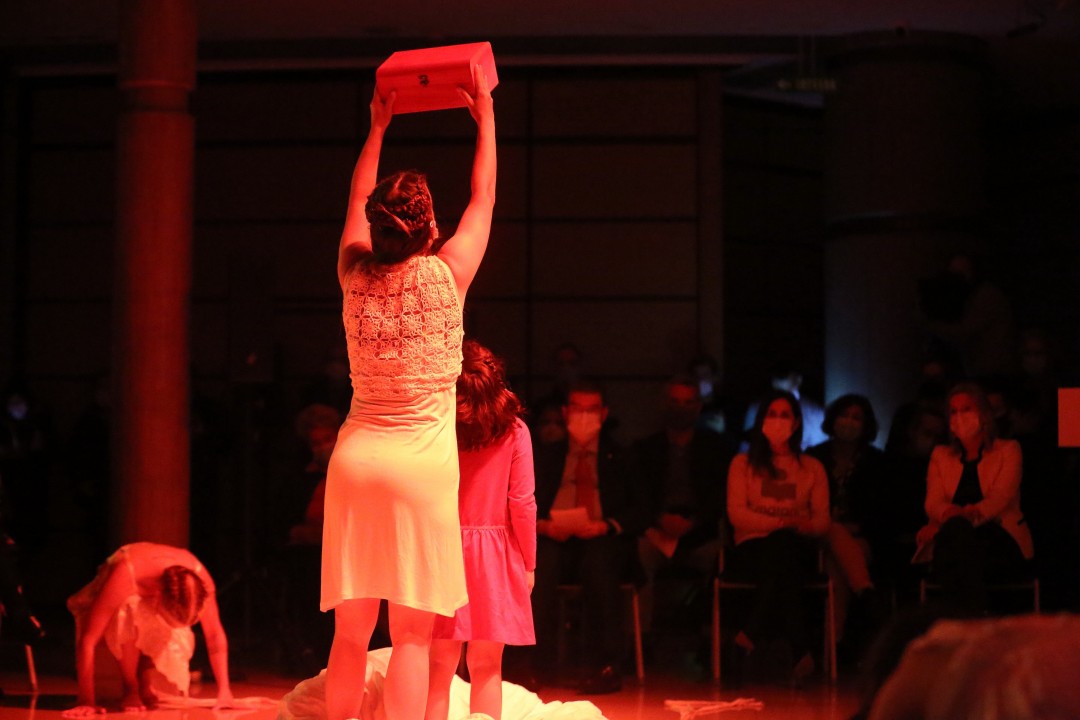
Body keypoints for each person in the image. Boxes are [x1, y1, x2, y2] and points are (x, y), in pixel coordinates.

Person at [320, 63, 496, 720]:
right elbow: (484, 198)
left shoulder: (353, 272)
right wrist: (486, 119)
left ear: (377, 227)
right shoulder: (449, 275)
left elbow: (354, 198)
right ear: (429, 227)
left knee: (349, 633)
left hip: (356, 462)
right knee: (412, 636)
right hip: (419, 470)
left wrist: (376, 128)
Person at [425, 340, 537, 720]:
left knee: (438, 665)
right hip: (495, 555)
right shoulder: (514, 429)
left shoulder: (440, 426)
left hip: (443, 548)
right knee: (487, 665)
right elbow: (522, 502)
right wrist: (528, 562)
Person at [531, 380, 645, 694]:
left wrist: (606, 525)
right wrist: (542, 525)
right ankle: (535, 665)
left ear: (603, 414)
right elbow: (521, 500)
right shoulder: (545, 456)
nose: (584, 417)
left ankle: (604, 667)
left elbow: (641, 508)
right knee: (539, 564)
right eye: (577, 409)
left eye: (591, 410)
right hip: (553, 535)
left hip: (600, 537)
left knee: (600, 562)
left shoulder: (621, 456)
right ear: (565, 412)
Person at [725, 390, 830, 683]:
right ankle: (799, 650)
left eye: (785, 415)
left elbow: (822, 521)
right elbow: (737, 514)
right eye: (772, 414)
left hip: (797, 547)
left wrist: (797, 527)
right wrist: (784, 522)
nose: (778, 420)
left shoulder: (811, 468)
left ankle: (749, 635)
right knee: (782, 556)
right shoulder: (742, 464)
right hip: (752, 548)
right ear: (761, 420)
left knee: (784, 550)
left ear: (796, 423)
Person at [63, 542, 233, 716]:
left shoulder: (199, 581)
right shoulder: (126, 574)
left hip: (159, 595)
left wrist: (225, 691)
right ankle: (131, 686)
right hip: (123, 591)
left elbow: (214, 635)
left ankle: (144, 679)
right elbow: (89, 639)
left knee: (173, 639)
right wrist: (87, 701)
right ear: (157, 597)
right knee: (128, 611)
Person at [916, 383, 1034, 616]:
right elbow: (933, 502)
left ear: (984, 414)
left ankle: (962, 618)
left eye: (966, 409)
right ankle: (975, 614)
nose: (959, 416)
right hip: (953, 537)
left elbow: (1000, 497)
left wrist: (957, 519)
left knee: (953, 544)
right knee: (956, 541)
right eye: (953, 411)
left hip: (998, 536)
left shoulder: (1008, 450)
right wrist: (952, 517)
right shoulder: (941, 456)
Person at [634, 376, 732, 639]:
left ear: (698, 407)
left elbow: (721, 496)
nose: (681, 408)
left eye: (688, 402)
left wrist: (694, 523)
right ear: (664, 404)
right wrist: (659, 520)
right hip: (656, 533)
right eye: (675, 402)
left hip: (702, 534)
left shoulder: (717, 449)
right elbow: (637, 494)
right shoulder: (645, 449)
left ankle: (711, 640)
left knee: (721, 560)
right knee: (637, 558)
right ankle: (640, 641)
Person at [808, 394, 888, 655]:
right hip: (816, 535)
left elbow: (882, 510)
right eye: (844, 415)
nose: (849, 422)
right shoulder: (814, 458)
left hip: (858, 537)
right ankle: (864, 591)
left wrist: (856, 526)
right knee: (834, 535)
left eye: (856, 418)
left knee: (837, 559)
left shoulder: (877, 462)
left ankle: (833, 642)